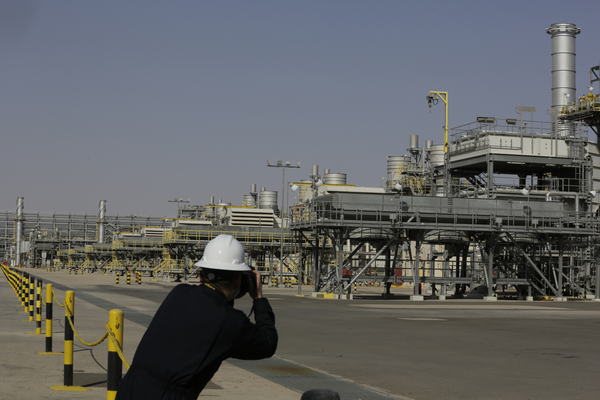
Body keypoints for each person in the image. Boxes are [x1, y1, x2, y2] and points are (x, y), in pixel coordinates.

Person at [116, 234, 278, 399]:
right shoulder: (230, 322)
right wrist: (259, 299)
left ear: (202, 273)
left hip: (129, 388)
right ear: (239, 279)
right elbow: (268, 343)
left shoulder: (178, 293)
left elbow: (210, 306)